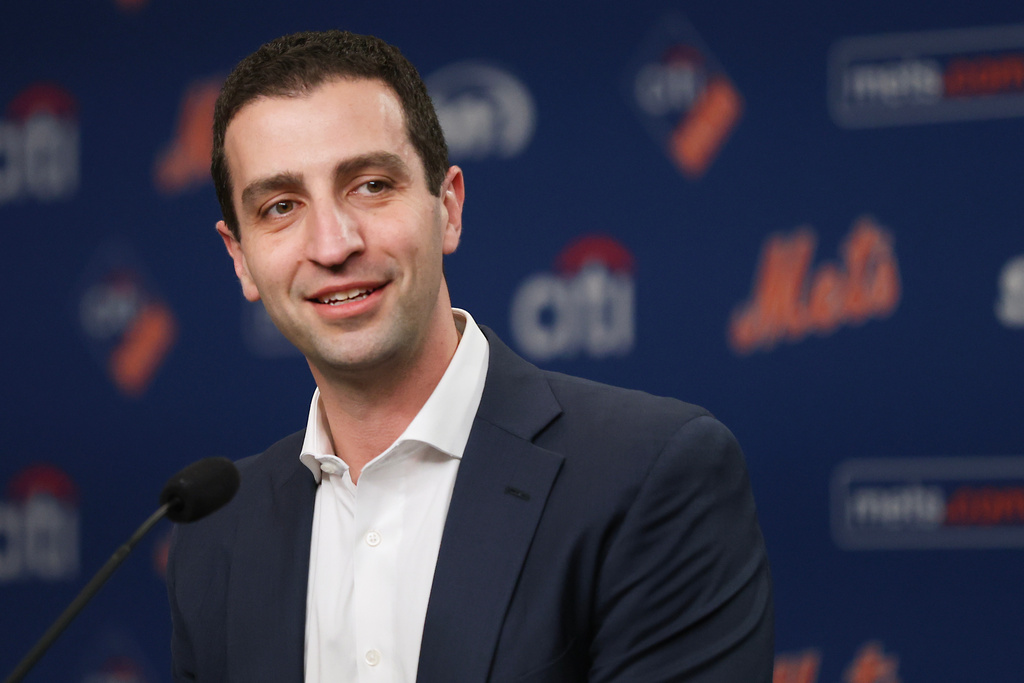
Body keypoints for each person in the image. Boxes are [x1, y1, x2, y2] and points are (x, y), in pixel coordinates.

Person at [166, 30, 774, 683]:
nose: (332, 243)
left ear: (448, 207)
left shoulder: (652, 474)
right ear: (240, 257)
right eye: (280, 206)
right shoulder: (216, 535)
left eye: (370, 185)